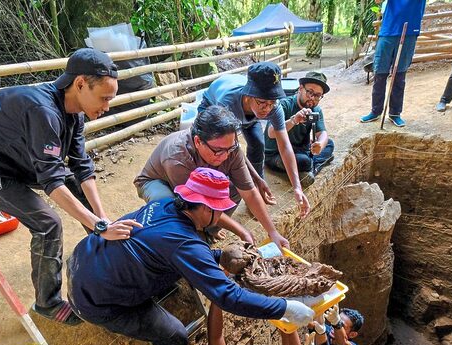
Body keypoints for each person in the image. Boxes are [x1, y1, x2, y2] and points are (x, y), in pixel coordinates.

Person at [68, 168, 314, 345]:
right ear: (206, 208)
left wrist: (218, 256)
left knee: (169, 269)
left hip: (83, 257)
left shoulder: (165, 204)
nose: (221, 216)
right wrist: (284, 307)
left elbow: (181, 249)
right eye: (220, 210)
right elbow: (228, 296)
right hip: (95, 301)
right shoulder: (185, 243)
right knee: (174, 333)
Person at [0, 48, 139, 326]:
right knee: (47, 222)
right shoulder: (44, 111)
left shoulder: (75, 112)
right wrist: (98, 226)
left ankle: (104, 252)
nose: (107, 106)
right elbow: (51, 181)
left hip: (10, 153)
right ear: (80, 83)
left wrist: (101, 220)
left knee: (78, 188)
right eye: (104, 98)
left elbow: (81, 166)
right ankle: (47, 302)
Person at [134, 105, 289, 247]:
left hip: (197, 186)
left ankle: (210, 228)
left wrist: (273, 232)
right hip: (158, 182)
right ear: (198, 141)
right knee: (172, 207)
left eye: (230, 148)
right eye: (218, 151)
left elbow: (248, 192)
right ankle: (191, 234)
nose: (225, 156)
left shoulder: (230, 149)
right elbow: (194, 203)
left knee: (231, 189)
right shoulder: (178, 157)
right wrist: (242, 231)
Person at [198, 62, 311, 218]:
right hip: (213, 107)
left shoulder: (270, 106)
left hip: (248, 115)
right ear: (248, 95)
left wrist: (297, 187)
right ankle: (210, 210)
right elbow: (233, 150)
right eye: (262, 103)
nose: (267, 109)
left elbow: (285, 146)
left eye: (272, 103)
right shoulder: (227, 104)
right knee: (216, 154)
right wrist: (254, 179)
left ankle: (257, 194)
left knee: (258, 144)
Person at [360, 0, 427, 127]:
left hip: (409, 31)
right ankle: (376, 111)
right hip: (388, 31)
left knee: (399, 75)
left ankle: (395, 113)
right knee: (380, 73)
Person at [264, 71, 336, 186]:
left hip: (300, 149)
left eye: (317, 95)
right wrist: (294, 120)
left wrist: (320, 145)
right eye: (310, 92)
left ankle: (308, 170)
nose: (312, 98)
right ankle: (310, 168)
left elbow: (322, 133)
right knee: (303, 161)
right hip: (276, 153)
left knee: (329, 144)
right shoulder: (283, 105)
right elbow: (271, 133)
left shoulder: (316, 109)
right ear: (300, 88)